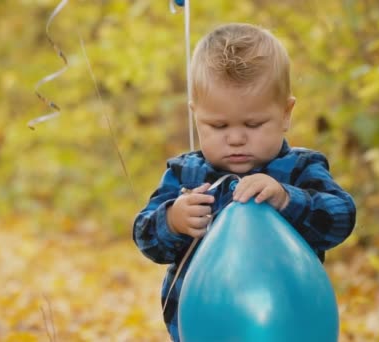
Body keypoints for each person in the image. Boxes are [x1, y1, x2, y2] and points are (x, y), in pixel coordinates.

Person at [132, 23, 356, 341]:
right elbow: (145, 236)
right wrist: (173, 220)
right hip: (201, 330)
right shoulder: (185, 173)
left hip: (286, 326)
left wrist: (288, 200)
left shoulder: (300, 169)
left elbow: (342, 218)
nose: (236, 138)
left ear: (286, 113)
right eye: (218, 125)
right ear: (196, 116)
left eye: (253, 123)